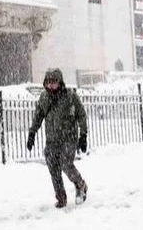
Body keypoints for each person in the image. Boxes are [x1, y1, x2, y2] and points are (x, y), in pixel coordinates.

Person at [26, 68, 89, 208]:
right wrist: (32, 133)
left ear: (60, 82)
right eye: (48, 82)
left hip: (69, 138)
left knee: (66, 163)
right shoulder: (44, 98)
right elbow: (38, 116)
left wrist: (83, 135)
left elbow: (81, 115)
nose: (51, 85)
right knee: (53, 167)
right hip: (52, 140)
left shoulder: (70, 97)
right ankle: (61, 197)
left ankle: (80, 185)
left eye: (54, 82)